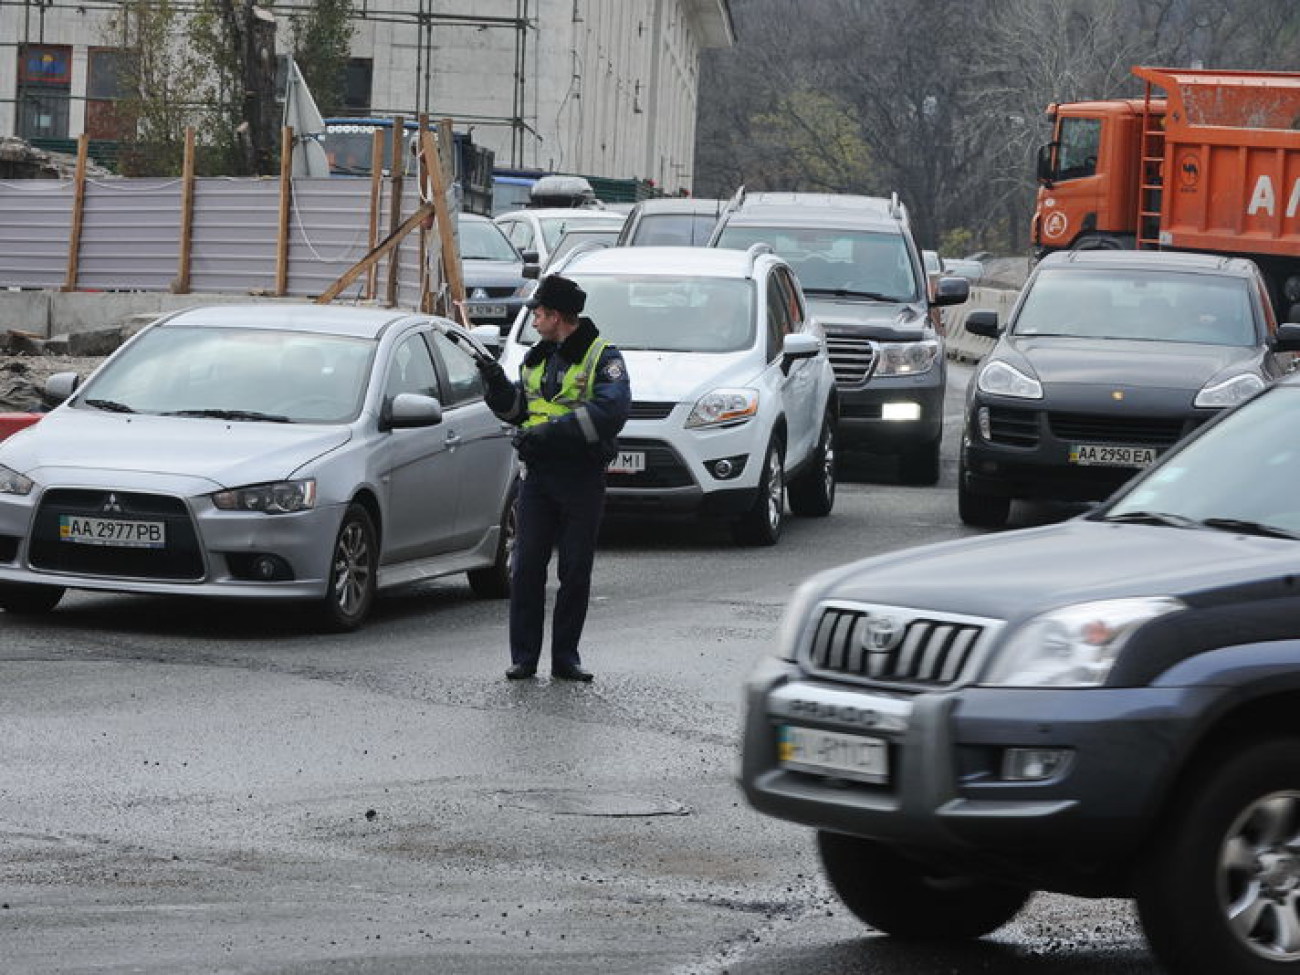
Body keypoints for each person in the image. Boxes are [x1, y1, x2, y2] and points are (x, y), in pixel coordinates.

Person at [475, 274, 631, 682]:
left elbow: (610, 413)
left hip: (580, 477)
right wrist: (495, 385)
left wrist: (549, 434)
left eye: (539, 315)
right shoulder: (535, 358)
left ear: (558, 316)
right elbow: (518, 412)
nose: (535, 322)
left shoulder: (603, 357)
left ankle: (566, 659)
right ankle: (524, 657)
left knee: (575, 571)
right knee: (526, 568)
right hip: (539, 478)